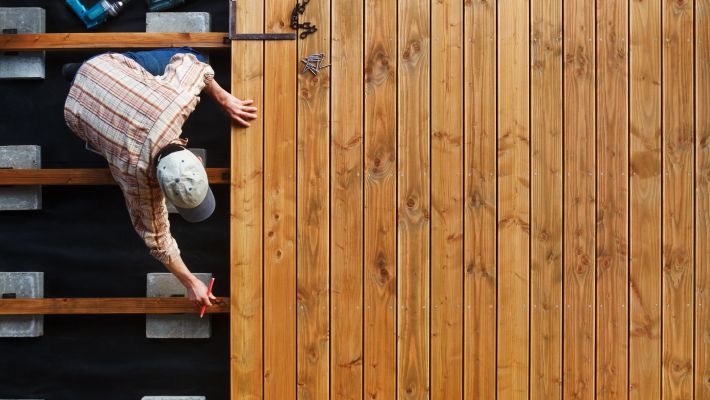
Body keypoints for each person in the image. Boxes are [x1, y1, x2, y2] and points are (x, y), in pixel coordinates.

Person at [62, 47, 257, 307]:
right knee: (110, 148)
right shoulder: (135, 180)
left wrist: (225, 100)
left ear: (197, 160)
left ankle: (78, 73)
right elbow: (157, 240)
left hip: (100, 69)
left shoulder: (175, 102)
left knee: (193, 55)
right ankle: (79, 78)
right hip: (74, 110)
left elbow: (194, 65)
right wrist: (189, 282)